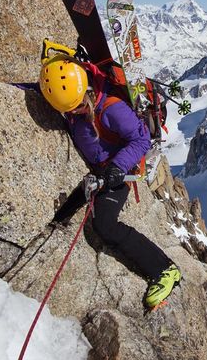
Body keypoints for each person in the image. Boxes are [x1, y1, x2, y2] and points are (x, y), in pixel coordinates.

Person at [39, 51, 180, 309]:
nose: (74, 114)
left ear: (86, 93)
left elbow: (141, 140)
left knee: (104, 225)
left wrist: (117, 167)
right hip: (97, 170)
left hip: (117, 173)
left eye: (77, 108)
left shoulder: (112, 109)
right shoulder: (68, 93)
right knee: (64, 211)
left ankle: (165, 269)